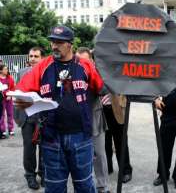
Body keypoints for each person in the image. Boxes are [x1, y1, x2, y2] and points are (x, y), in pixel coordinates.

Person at [15, 25, 104, 193]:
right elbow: (21, 90)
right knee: (55, 188)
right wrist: (23, 100)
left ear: (70, 44)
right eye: (52, 42)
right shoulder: (43, 66)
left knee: (85, 186)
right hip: (51, 139)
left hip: (81, 137)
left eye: (59, 42)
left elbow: (99, 87)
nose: (54, 46)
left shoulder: (84, 65)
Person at [76, 47, 110, 193]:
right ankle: (84, 186)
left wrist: (92, 73)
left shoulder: (97, 73)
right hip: (76, 122)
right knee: (78, 156)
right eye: (79, 60)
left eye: (86, 60)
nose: (83, 63)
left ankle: (103, 187)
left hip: (95, 119)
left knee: (99, 155)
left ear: (91, 61)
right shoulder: (71, 74)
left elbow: (104, 90)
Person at [14, 47, 45, 190]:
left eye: (36, 56)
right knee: (29, 149)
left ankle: (44, 174)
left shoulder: (48, 73)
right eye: (31, 56)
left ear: (42, 58)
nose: (32, 58)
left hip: (43, 117)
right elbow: (17, 93)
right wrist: (17, 116)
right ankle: (30, 176)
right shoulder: (21, 73)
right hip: (27, 117)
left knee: (45, 148)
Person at [104, 93, 133, 183]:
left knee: (121, 141)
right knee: (104, 141)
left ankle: (125, 170)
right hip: (101, 107)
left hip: (118, 106)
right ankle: (107, 167)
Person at [0, 64, 15, 137]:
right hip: (1, 99)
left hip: (9, 98)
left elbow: (13, 88)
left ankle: (11, 129)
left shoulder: (10, 78)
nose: (7, 70)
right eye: (5, 69)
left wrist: (10, 95)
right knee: (2, 115)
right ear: (1, 70)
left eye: (7, 69)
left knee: (10, 114)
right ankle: (2, 130)